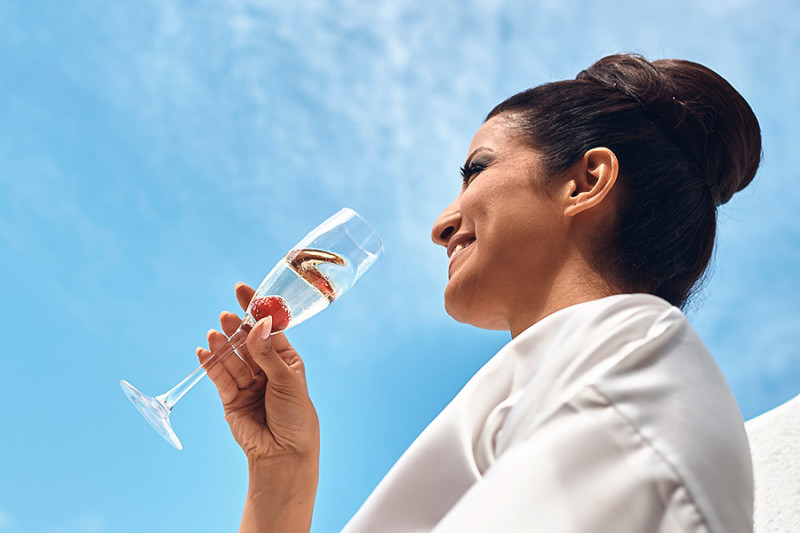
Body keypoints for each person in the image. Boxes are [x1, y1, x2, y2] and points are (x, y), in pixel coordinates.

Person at [197, 53, 761, 532]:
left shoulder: (627, 369)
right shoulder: (581, 369)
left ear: (586, 182)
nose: (441, 225)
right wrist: (282, 475)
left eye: (476, 169)